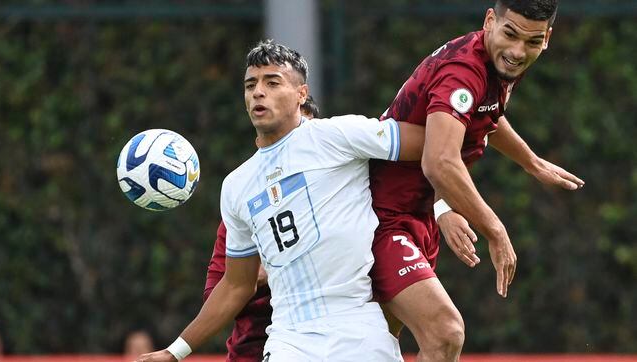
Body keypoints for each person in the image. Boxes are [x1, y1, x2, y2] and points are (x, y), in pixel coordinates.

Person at [135, 40, 426, 362]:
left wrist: (443, 206)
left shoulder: (337, 135)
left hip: (359, 327)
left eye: (272, 82)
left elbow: (438, 147)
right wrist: (175, 352)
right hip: (291, 339)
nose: (258, 92)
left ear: (302, 94)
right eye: (251, 85)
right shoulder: (237, 186)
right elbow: (235, 285)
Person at [369, 0, 584, 360]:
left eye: (531, 42)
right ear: (490, 21)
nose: (517, 51)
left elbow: (485, 115)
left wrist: (530, 162)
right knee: (444, 333)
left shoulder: (497, 61)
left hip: (412, 214)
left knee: (379, 344)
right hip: (382, 218)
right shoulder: (463, 72)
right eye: (510, 34)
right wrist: (494, 230)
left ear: (546, 38)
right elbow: (439, 161)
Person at [202, 96, 320, 362]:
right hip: (253, 351)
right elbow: (217, 293)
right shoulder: (245, 207)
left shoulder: (337, 202)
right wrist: (259, 272)